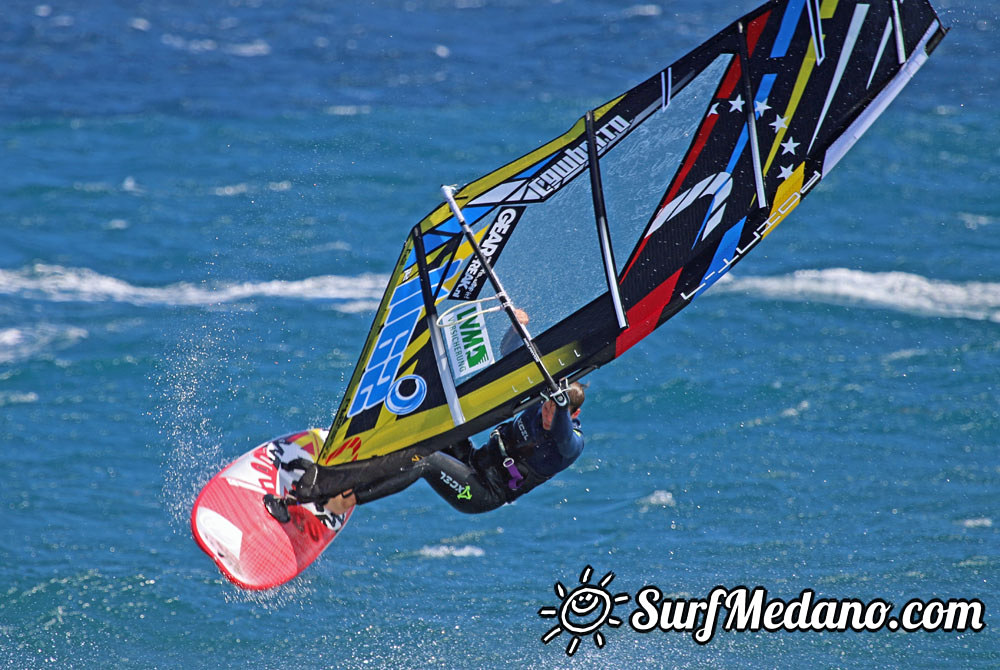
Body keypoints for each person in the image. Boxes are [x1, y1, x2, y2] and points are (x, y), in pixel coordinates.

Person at [291, 381, 587, 516]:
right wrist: (515, 328)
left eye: (556, 411)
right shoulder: (543, 406)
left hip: (483, 492)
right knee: (431, 422)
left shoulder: (569, 444)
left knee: (426, 462)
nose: (547, 413)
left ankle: (344, 500)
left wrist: (560, 409)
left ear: (573, 414)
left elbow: (562, 433)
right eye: (547, 406)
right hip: (471, 460)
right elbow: (518, 356)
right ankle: (353, 466)